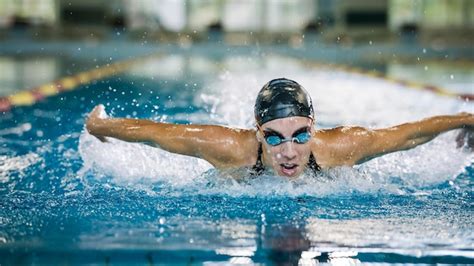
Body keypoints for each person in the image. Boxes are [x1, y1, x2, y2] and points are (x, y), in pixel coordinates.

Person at [86, 78, 473, 179]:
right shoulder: (230, 149)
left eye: (300, 135)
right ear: (257, 132)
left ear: (313, 128)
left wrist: (465, 119)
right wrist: (102, 126)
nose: (289, 151)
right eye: (274, 137)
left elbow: (407, 135)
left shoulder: (340, 148)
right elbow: (159, 133)